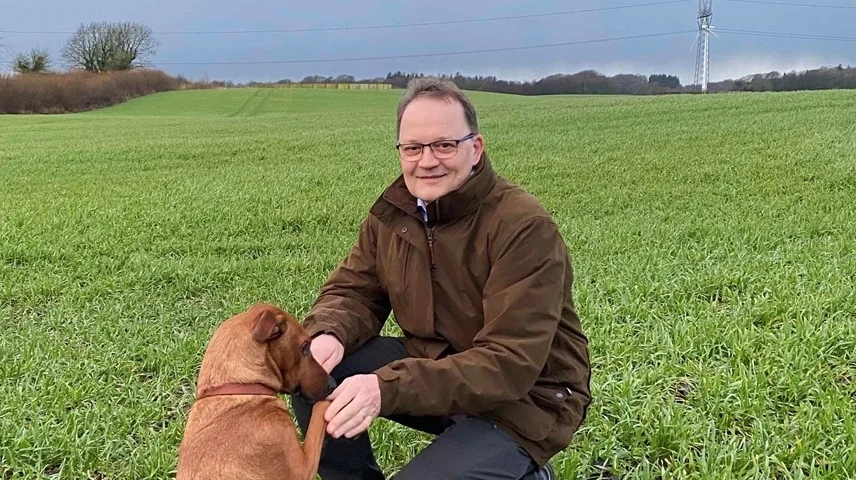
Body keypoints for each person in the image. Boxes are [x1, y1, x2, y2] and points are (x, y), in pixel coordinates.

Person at [292, 77, 591, 480]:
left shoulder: (522, 226)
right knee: (308, 372)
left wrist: (385, 388)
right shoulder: (393, 213)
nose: (427, 160)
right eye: (413, 148)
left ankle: (524, 473)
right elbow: (354, 291)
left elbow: (509, 363)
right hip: (438, 365)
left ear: (476, 148)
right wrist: (329, 333)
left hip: (525, 398)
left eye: (444, 145)